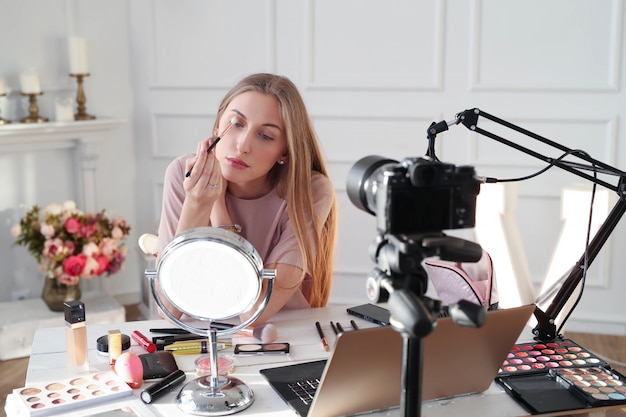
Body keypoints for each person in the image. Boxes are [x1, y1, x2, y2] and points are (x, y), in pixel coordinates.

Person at [155, 73, 337, 324]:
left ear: (284, 152)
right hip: (201, 338)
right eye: (236, 123)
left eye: (265, 136)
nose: (243, 145)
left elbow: (253, 312)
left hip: (284, 336)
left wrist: (219, 213)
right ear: (218, 126)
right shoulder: (182, 174)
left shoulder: (310, 190)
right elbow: (167, 308)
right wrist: (198, 203)